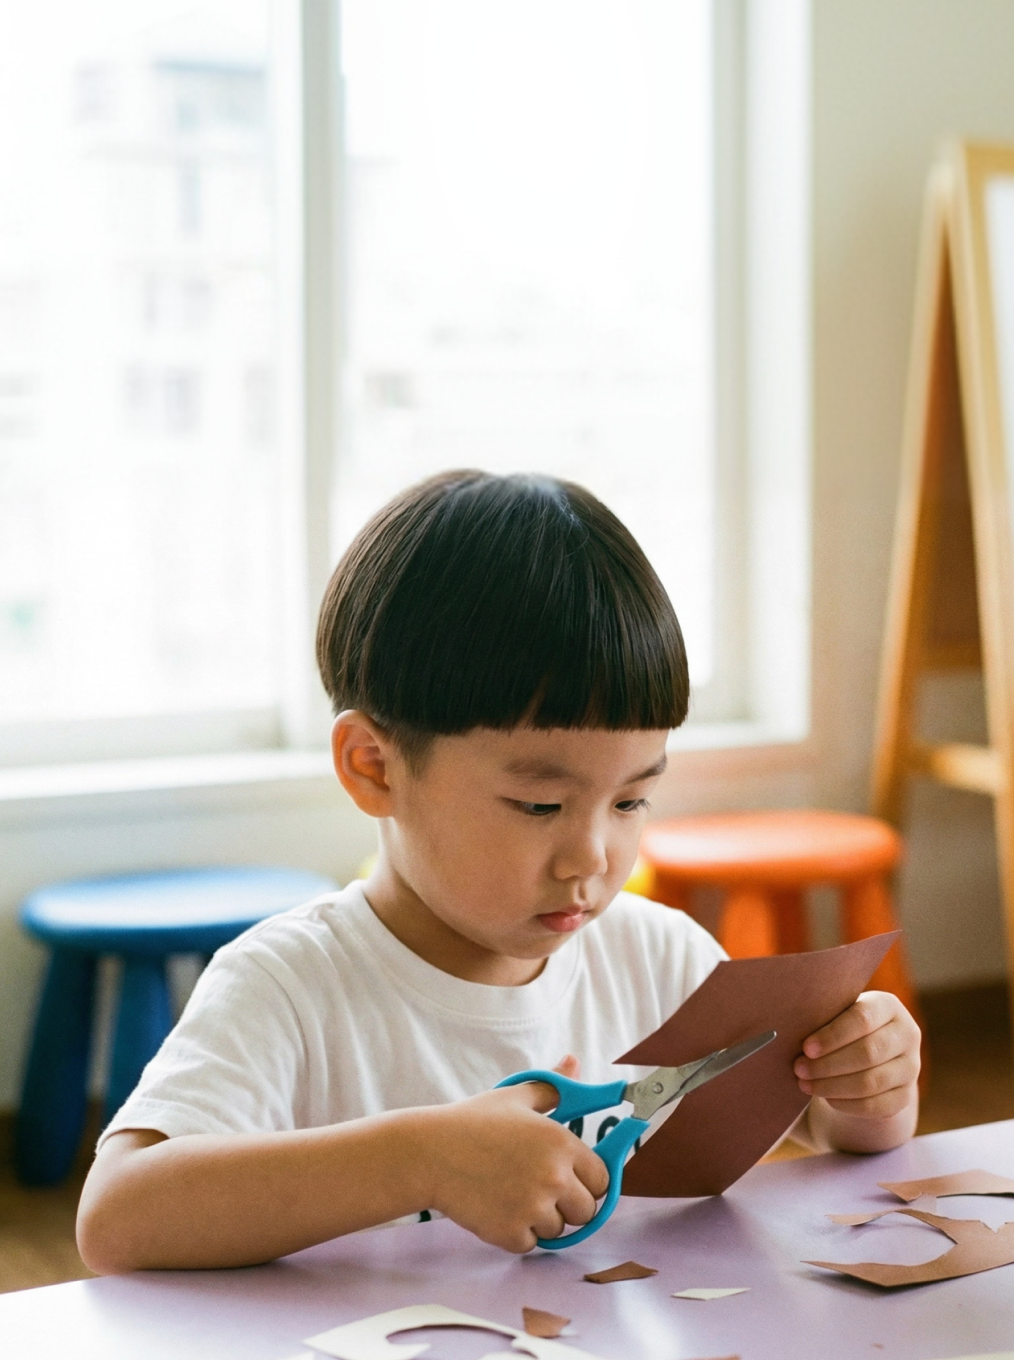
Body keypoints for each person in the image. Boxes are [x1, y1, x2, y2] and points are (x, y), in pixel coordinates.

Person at [75, 470, 920, 1272]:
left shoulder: (663, 960)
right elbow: (117, 1221)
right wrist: (419, 1159)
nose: (593, 856)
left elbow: (841, 1140)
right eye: (540, 807)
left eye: (629, 803)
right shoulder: (290, 985)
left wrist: (866, 1086)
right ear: (374, 766)